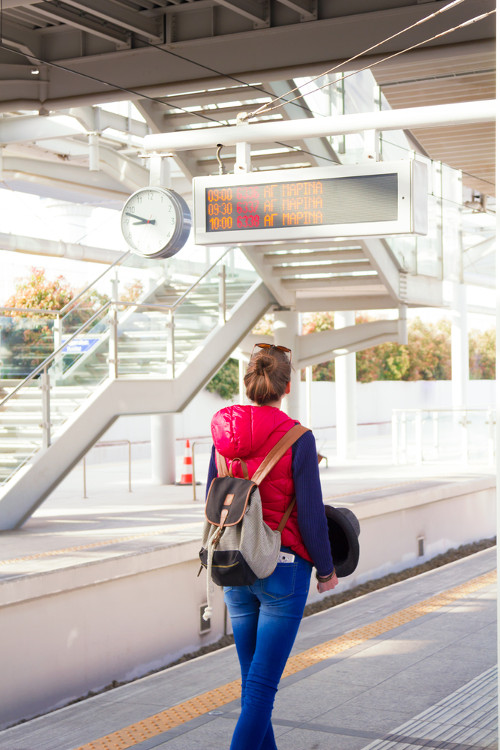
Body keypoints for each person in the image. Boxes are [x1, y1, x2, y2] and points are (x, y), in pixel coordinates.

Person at [205, 342, 338, 750]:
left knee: (253, 688)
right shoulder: (298, 437)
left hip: (234, 565)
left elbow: (213, 497)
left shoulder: (223, 436)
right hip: (283, 570)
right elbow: (312, 515)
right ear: (287, 386)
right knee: (261, 691)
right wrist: (327, 569)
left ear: (249, 383)